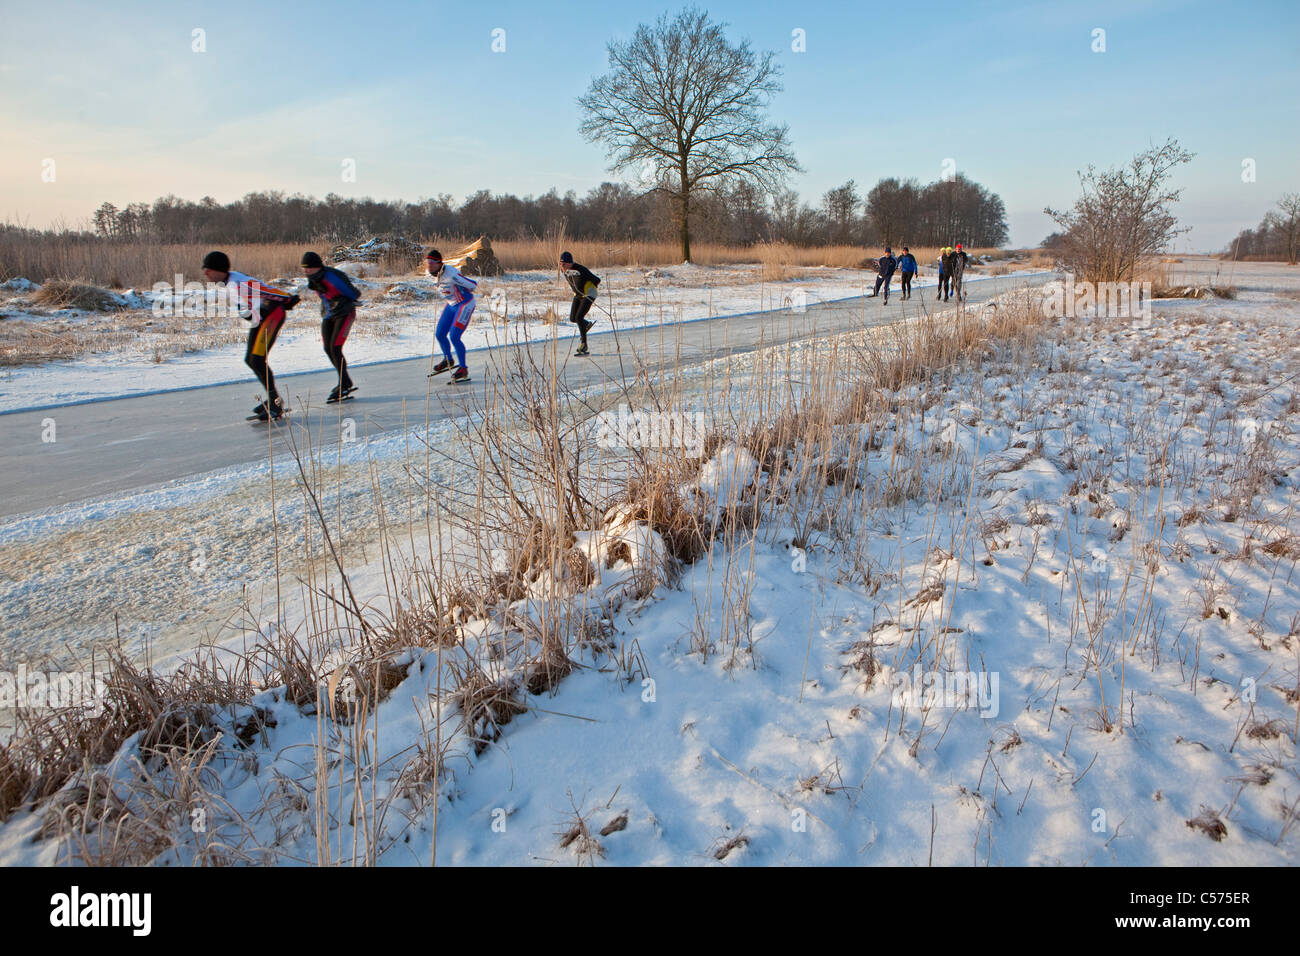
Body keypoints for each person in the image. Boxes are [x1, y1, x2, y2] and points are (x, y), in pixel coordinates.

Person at [202, 250, 299, 420]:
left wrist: (288, 298)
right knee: (250, 359)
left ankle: (275, 404)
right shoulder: (228, 281)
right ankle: (274, 401)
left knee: (257, 359)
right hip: (261, 317)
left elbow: (265, 288)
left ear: (219, 270)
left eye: (208, 269)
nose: (205, 273)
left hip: (272, 315)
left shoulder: (238, 282)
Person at [301, 251, 362, 403]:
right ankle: (345, 381)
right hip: (329, 315)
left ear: (317, 267)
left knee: (335, 348)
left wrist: (340, 300)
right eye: (304, 268)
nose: (306, 271)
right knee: (327, 348)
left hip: (344, 313)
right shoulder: (314, 278)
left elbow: (355, 293)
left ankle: (344, 383)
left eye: (309, 268)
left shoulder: (332, 277)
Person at [425, 248, 477, 383]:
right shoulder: (430, 273)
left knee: (454, 336)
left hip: (465, 304)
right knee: (440, 334)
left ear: (439, 263)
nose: (429, 265)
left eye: (432, 263)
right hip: (451, 304)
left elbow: (473, 285)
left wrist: (464, 288)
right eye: (427, 262)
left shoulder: (452, 274)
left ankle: (463, 368)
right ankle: (448, 359)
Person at [559, 251, 601, 355]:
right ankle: (586, 324)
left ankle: (584, 345)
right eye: (560, 263)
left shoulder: (581, 269)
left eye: (563, 264)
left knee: (579, 317)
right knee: (573, 318)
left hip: (588, 294)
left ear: (570, 263)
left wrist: (588, 287)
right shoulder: (564, 270)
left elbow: (597, 280)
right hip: (578, 295)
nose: (561, 266)